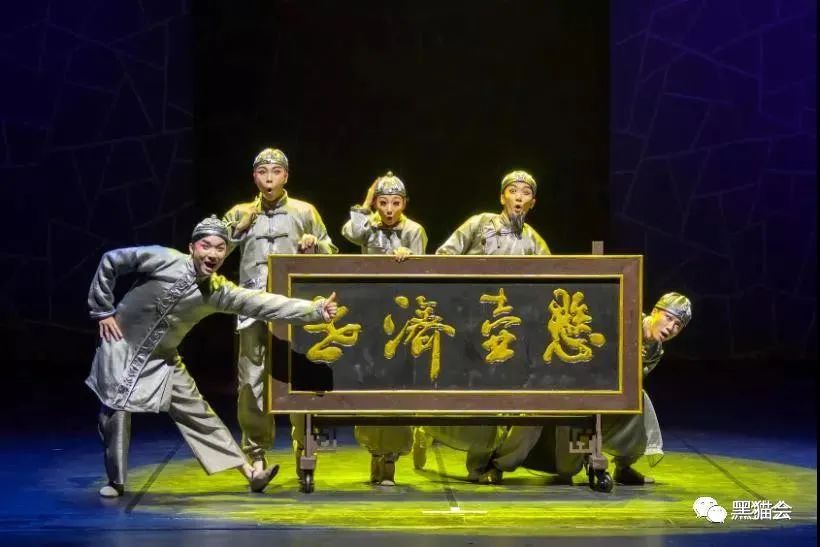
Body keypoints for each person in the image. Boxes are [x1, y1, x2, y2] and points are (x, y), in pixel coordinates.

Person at [87, 216, 338, 497]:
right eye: (206, 246)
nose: (213, 254)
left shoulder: (218, 292)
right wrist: (102, 310)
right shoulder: (164, 259)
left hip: (163, 357)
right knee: (116, 410)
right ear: (192, 247)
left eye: (220, 248)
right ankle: (115, 481)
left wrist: (314, 310)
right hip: (119, 344)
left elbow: (262, 303)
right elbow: (112, 260)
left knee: (198, 412)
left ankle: (251, 474)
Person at [414, 170, 551, 483]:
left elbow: (550, 282)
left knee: (519, 404)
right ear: (502, 197)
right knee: (478, 400)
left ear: (533, 202)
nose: (519, 198)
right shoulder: (479, 224)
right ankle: (438, 437)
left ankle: (499, 464)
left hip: (513, 335)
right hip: (472, 328)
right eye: (513, 191)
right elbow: (444, 257)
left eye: (525, 193)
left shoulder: (533, 240)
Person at [488, 292, 693, 485]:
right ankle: (498, 465)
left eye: (677, 325)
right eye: (668, 318)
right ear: (655, 311)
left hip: (598, 398)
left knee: (570, 467)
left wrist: (632, 365)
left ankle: (622, 466)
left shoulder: (655, 349)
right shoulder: (626, 319)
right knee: (533, 416)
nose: (671, 328)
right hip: (567, 381)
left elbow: (632, 383)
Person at [222, 148, 338, 477]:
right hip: (252, 305)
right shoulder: (240, 212)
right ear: (254, 177)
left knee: (301, 374)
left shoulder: (304, 211)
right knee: (251, 379)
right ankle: (256, 452)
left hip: (294, 308)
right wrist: (238, 230)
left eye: (275, 172)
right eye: (263, 172)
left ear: (286, 175)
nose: (269, 179)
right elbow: (212, 251)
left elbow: (332, 251)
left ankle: (304, 445)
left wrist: (315, 246)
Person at [341, 171, 427, 485]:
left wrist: (410, 257)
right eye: (383, 203)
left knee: (398, 384)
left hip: (402, 319)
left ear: (404, 204)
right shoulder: (369, 226)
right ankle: (374, 452)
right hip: (371, 315)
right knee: (370, 384)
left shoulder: (413, 230)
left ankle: (391, 457)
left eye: (395, 203)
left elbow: (425, 274)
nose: (389, 209)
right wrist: (366, 202)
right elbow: (351, 232)